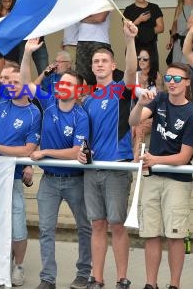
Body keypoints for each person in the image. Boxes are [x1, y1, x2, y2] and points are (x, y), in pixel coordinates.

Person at [21, 40, 92, 289]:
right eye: (61, 83)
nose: (62, 87)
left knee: (84, 228)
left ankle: (84, 273)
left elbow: (76, 151)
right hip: (49, 180)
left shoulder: (81, 115)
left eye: (69, 85)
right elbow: (27, 85)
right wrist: (28, 54)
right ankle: (47, 279)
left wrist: (45, 152)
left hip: (76, 180)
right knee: (46, 230)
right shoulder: (49, 102)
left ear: (78, 91)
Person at [0, 14, 41, 287]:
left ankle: (18, 266)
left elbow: (27, 150)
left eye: (11, 79)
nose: (6, 82)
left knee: (16, 224)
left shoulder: (33, 112)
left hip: (12, 176)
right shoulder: (1, 96)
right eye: (3, 79)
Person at [129, 62, 193, 289]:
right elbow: (133, 121)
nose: (172, 82)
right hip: (152, 176)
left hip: (177, 181)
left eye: (178, 79)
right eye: (169, 78)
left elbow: (183, 157)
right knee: (151, 234)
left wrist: (155, 160)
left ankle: (174, 285)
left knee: (175, 235)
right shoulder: (159, 99)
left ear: (187, 83)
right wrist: (140, 102)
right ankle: (151, 284)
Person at [77, 20, 138, 289]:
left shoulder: (121, 91)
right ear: (91, 67)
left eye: (104, 61)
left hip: (117, 167)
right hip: (92, 170)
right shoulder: (87, 99)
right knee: (97, 224)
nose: (100, 64)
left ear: (113, 65)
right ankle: (97, 277)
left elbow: (133, 71)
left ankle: (122, 278)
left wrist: (129, 40)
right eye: (96, 61)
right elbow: (84, 136)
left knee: (117, 225)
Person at [75, 0, 113, 85]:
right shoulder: (83, 0)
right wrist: (89, 17)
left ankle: (101, 99)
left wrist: (83, 18)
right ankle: (85, 101)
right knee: (81, 77)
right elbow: (77, 17)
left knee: (101, 74)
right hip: (82, 41)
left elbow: (100, 18)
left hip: (99, 41)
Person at [132, 48, 163, 160]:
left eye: (145, 59)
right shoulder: (134, 75)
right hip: (137, 113)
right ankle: (130, 155)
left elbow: (160, 99)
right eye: (139, 58)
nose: (141, 61)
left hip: (153, 115)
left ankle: (136, 159)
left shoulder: (157, 76)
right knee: (133, 125)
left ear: (151, 60)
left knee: (138, 126)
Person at [123, 0, 164, 66]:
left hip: (151, 45)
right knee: (135, 73)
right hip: (134, 45)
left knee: (152, 72)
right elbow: (126, 30)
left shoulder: (154, 7)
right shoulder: (128, 10)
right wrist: (139, 20)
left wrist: (145, 32)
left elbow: (161, 28)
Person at [167, 0, 193, 65]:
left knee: (188, 67)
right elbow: (175, 24)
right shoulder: (179, 6)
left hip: (190, 41)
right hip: (178, 42)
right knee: (177, 66)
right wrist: (171, 40)